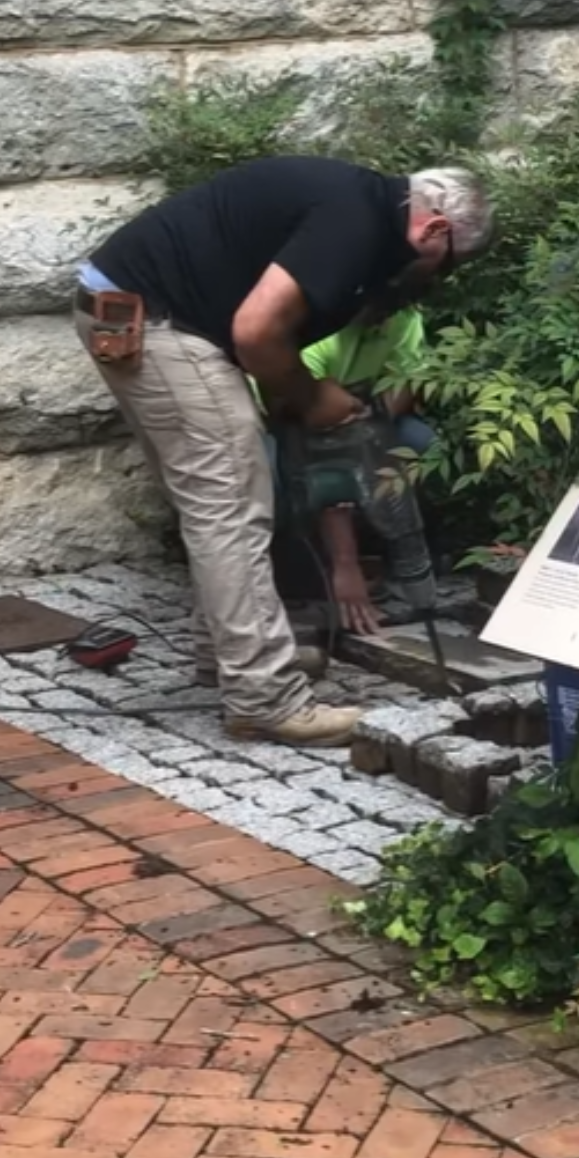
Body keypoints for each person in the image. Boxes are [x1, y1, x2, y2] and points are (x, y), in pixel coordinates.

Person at [76, 156, 495, 748]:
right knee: (232, 505)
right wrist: (313, 395)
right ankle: (264, 699)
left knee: (217, 502)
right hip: (158, 321)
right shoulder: (356, 222)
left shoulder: (364, 206)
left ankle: (230, 658)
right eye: (449, 264)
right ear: (434, 230)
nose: (438, 277)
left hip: (137, 306)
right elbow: (256, 331)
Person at [259, 303, 437, 636]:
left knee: (421, 447)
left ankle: (394, 558)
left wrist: (368, 418)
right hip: (289, 422)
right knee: (268, 479)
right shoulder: (317, 330)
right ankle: (304, 574)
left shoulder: (404, 316)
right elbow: (318, 442)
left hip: (361, 413)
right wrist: (345, 563)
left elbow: (404, 386)